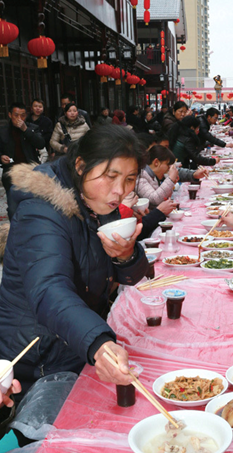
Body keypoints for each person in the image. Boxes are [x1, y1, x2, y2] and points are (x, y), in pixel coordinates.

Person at [0, 125, 149, 398]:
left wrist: (126, 255)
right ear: (80, 166)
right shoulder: (41, 209)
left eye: (129, 179)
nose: (119, 191)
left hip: (72, 342)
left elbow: (131, 276)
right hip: (39, 357)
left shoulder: (96, 201)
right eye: (110, 176)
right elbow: (48, 289)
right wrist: (96, 342)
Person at [0, 102, 45, 218]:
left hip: (31, 170)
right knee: (13, 207)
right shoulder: (3, 131)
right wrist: (1, 157)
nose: (19, 118)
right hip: (11, 172)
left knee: (35, 204)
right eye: (16, 115)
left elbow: (41, 144)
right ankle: (16, 232)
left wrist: (26, 130)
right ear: (10, 115)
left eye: (23, 115)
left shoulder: (32, 128)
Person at [134, 145, 179, 209]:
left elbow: (162, 198)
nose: (168, 169)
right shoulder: (140, 176)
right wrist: (170, 179)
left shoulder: (153, 177)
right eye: (167, 165)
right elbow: (155, 200)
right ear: (156, 162)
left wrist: (171, 183)